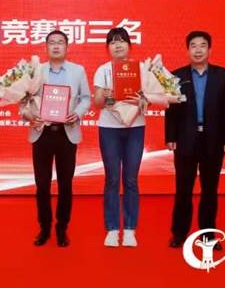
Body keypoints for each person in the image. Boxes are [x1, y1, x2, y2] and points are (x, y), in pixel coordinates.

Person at [165, 31, 225, 250]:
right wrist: (170, 136)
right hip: (185, 139)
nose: (198, 50)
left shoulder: (223, 75)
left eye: (202, 45)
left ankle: (208, 236)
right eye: (193, 46)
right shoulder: (176, 77)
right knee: (183, 190)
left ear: (209, 49)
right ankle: (179, 234)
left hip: (213, 140)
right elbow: (171, 110)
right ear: (188, 50)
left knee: (210, 191)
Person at [25, 30, 91, 247]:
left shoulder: (77, 71)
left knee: (65, 184)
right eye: (51, 42)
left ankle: (62, 228)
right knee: (42, 185)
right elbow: (24, 100)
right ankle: (44, 228)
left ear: (67, 47)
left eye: (60, 42)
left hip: (67, 133)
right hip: (42, 133)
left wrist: (77, 113)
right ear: (46, 47)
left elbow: (86, 98)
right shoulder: (36, 71)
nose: (55, 46)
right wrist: (30, 115)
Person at [93, 27, 146, 247]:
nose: (117, 45)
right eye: (113, 42)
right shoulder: (103, 70)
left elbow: (150, 99)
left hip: (135, 127)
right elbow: (97, 103)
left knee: (131, 179)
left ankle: (131, 229)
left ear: (129, 46)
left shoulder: (141, 69)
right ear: (108, 48)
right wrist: (104, 94)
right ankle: (113, 229)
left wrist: (143, 100)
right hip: (109, 129)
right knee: (112, 179)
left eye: (122, 41)